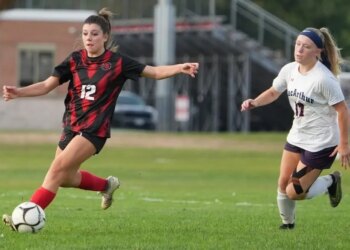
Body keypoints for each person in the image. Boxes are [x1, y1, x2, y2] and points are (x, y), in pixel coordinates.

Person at [2, 8, 199, 230]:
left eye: (94, 34)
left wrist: (179, 68)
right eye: (85, 34)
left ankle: (25, 215)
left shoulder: (118, 63)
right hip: (71, 126)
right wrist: (19, 92)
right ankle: (107, 185)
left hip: (94, 129)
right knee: (65, 177)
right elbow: (47, 85)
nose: (89, 38)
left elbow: (153, 72)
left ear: (105, 36)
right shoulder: (75, 60)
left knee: (55, 170)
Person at [241, 27, 350, 229]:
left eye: (306, 46)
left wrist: (344, 144)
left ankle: (331, 181)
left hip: (321, 142)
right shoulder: (289, 69)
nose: (299, 50)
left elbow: (343, 111)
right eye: (298, 44)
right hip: (297, 136)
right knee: (283, 183)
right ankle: (287, 225)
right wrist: (254, 102)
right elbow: (274, 92)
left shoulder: (324, 79)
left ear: (318, 52)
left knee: (294, 191)